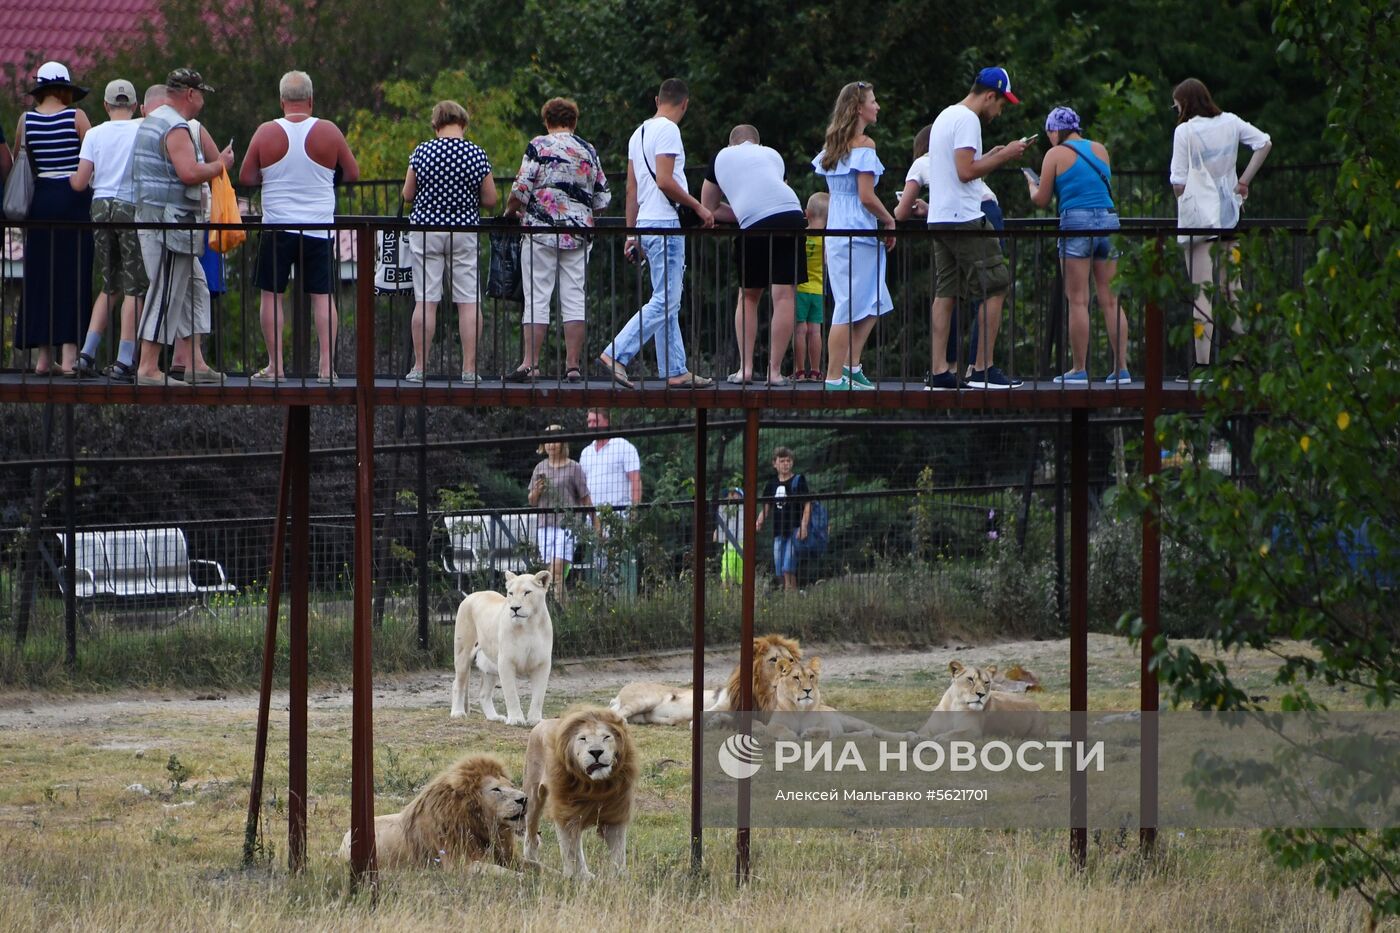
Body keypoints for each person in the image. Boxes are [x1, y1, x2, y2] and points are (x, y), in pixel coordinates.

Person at [240, 70, 359, 383]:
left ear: (282, 101)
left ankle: (275, 367)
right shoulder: (329, 131)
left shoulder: (266, 132)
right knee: (323, 296)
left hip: (278, 225)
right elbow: (353, 173)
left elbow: (246, 177)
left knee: (272, 295)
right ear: (310, 99)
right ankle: (326, 368)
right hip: (318, 226)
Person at [597, 78, 715, 390]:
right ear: (685, 104)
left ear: (656, 99)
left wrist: (631, 234)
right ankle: (616, 353)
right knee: (666, 299)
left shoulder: (639, 133)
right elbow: (665, 180)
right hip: (665, 224)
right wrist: (699, 208)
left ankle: (675, 369)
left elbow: (632, 188)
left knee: (666, 298)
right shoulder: (669, 131)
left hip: (647, 224)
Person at [924, 66, 1029, 390]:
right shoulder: (969, 120)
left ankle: (939, 370)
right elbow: (966, 171)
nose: (998, 112)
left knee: (946, 292)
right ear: (989, 95)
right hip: (965, 218)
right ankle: (983, 368)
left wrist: (993, 155)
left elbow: (960, 167)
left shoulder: (946, 115)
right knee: (995, 284)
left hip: (940, 216)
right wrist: (1008, 155)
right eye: (1000, 104)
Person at [131, 68, 234, 387]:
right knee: (166, 291)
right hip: (169, 224)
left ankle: (193, 361)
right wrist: (221, 165)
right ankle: (148, 366)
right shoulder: (175, 126)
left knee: (194, 286)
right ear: (190, 94)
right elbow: (189, 172)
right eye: (201, 93)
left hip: (156, 217)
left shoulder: (155, 118)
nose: (203, 99)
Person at [1169, 77, 1272, 383]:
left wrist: (1188, 196)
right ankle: (1241, 361)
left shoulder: (1184, 131)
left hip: (1201, 219)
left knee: (1202, 291)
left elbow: (1177, 182)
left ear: (1184, 103)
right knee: (1232, 287)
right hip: (1229, 214)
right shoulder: (1230, 122)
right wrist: (1243, 182)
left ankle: (1202, 366)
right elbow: (1264, 143)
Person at [503, 97, 609, 384]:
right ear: (573, 122)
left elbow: (521, 187)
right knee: (575, 298)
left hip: (540, 231)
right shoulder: (588, 149)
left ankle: (531, 365)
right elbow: (601, 199)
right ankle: (573, 366)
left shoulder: (539, 145)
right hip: (578, 231)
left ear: (547, 120)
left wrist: (509, 211)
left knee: (537, 297)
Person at [1027, 106, 1131, 384]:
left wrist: (1031, 185)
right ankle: (1121, 369)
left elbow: (1042, 199)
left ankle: (1079, 369)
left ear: (1054, 130)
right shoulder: (1100, 149)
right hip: (1108, 222)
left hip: (1076, 223)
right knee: (1111, 299)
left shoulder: (1054, 154)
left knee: (1078, 300)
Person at [700, 124, 807, 386]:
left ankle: (745, 369)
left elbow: (708, 208)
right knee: (784, 296)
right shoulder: (773, 155)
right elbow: (774, 192)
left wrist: (743, 212)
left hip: (754, 225)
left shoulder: (721, 157)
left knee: (748, 295)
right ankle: (775, 372)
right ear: (757, 143)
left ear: (731, 143)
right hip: (792, 214)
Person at [895, 123, 1003, 376]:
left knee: (951, 291)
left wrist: (907, 212)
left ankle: (946, 366)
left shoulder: (923, 162)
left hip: (954, 217)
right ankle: (978, 366)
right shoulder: (957, 157)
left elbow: (901, 213)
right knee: (987, 289)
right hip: (986, 211)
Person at [399, 99, 495, 383]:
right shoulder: (476, 153)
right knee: (467, 301)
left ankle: (419, 368)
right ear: (463, 123)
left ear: (436, 124)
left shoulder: (422, 151)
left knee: (426, 300)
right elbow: (490, 200)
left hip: (426, 231)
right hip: (464, 231)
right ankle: (469, 369)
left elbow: (407, 195)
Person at [811, 81, 896, 391]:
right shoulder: (864, 145)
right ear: (859, 108)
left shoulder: (834, 147)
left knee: (874, 298)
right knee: (848, 304)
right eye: (873, 101)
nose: (877, 106)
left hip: (842, 228)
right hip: (856, 231)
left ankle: (851, 365)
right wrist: (889, 219)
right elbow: (866, 196)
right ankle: (834, 376)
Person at [14, 61, 93, 376]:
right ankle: (70, 358)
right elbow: (92, 156)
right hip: (74, 200)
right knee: (73, 275)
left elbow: (24, 159)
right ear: (64, 89)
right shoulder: (76, 117)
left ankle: (43, 358)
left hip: (41, 200)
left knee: (42, 277)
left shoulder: (26, 120)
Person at [68, 79, 147, 381]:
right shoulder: (142, 128)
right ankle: (124, 359)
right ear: (136, 105)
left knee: (108, 283)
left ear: (105, 105)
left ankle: (86, 354)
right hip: (130, 206)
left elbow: (79, 182)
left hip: (100, 207)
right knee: (134, 285)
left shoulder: (95, 133)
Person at [528, 424, 599, 603]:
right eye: (548, 440)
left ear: (562, 443)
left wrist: (596, 522)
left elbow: (585, 497)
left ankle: (562, 617)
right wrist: (536, 491)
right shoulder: (540, 468)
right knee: (554, 578)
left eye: (556, 440)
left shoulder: (574, 467)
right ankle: (564, 617)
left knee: (556, 572)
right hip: (545, 526)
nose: (552, 444)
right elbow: (532, 501)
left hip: (567, 526)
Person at [578, 407, 641, 596]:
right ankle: (602, 607)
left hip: (619, 515)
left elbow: (635, 480)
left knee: (621, 564)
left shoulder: (623, 446)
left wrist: (634, 511)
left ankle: (625, 603)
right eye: (588, 422)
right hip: (593, 519)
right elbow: (583, 490)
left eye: (595, 421)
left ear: (607, 421)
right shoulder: (586, 453)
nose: (591, 425)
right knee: (598, 566)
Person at [755, 447, 811, 591]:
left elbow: (807, 504)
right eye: (782, 461)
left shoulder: (799, 480)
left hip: (795, 529)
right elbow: (767, 506)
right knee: (780, 568)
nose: (785, 464)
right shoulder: (771, 484)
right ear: (775, 464)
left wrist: (804, 526)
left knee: (788, 566)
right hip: (778, 531)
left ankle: (789, 598)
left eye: (788, 460)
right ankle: (793, 594)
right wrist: (760, 520)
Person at [793, 192, 828, 382]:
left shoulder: (801, 236)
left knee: (800, 330)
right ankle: (815, 371)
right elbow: (826, 262)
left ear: (806, 213)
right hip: (818, 289)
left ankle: (799, 371)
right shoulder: (827, 239)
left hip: (799, 289)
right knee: (815, 330)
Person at [715, 487, 744, 587]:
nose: (732, 496)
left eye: (735, 494)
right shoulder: (725, 512)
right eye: (730, 494)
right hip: (728, 551)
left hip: (742, 550)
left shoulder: (744, 512)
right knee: (727, 577)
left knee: (741, 578)